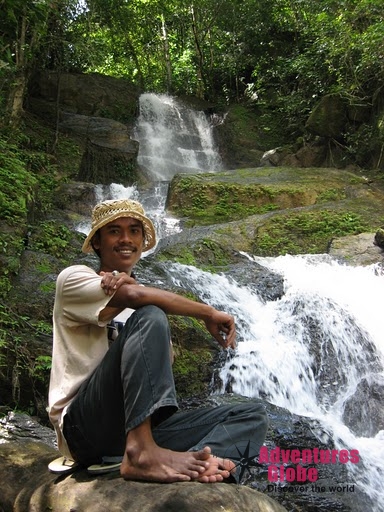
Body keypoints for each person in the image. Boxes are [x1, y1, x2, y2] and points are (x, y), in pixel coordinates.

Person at [48, 198, 268, 483]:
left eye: (134, 231)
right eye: (114, 231)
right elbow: (139, 299)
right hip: (84, 428)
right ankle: (142, 454)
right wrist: (208, 313)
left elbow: (137, 298)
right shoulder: (74, 279)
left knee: (251, 416)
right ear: (98, 243)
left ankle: (209, 469)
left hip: (133, 428)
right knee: (152, 313)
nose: (126, 239)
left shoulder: (140, 299)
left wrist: (130, 285)